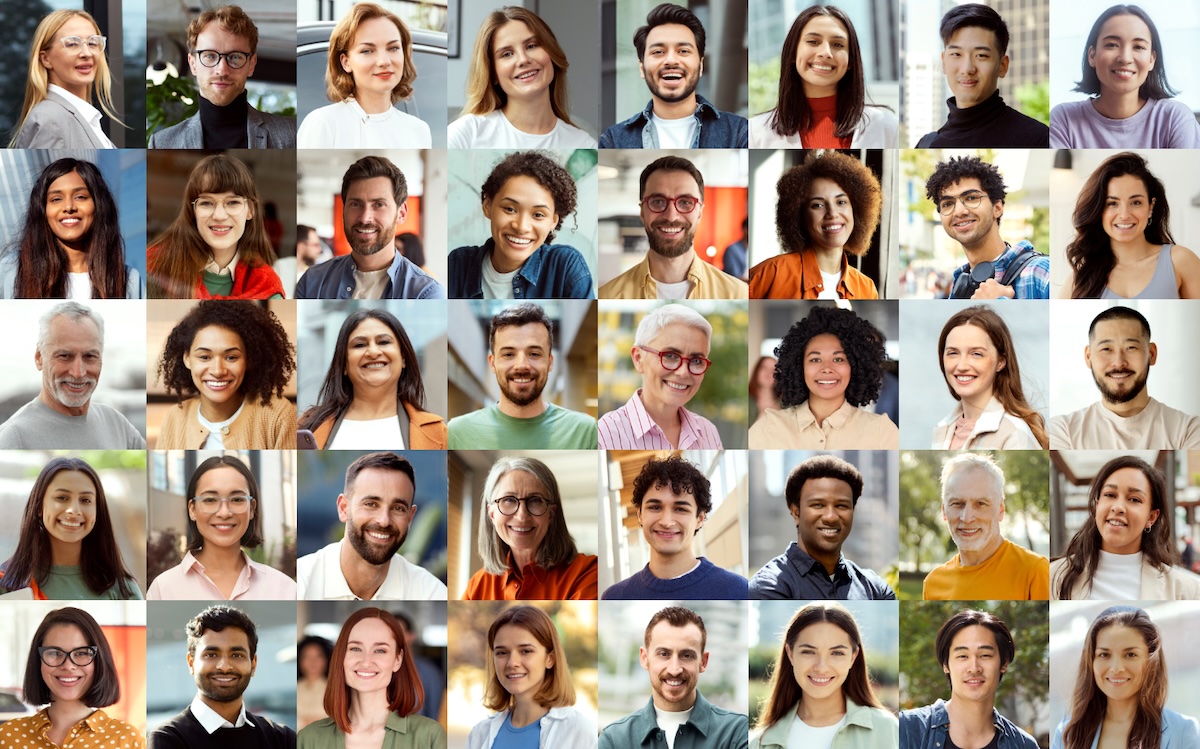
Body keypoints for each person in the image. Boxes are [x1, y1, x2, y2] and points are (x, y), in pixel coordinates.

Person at [296, 452, 447, 600]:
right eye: (371, 504)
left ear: (410, 517)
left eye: (398, 508)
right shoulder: (300, 582)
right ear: (343, 508)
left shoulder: (430, 592)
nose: (384, 521)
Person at [447, 302, 597, 449]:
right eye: (509, 354)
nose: (522, 365)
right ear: (492, 363)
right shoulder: (458, 432)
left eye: (534, 354)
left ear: (550, 362)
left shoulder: (584, 431)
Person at [448, 151, 594, 299]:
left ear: (553, 221)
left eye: (538, 215)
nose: (521, 227)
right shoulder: (457, 264)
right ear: (487, 206)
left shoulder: (565, 266)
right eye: (510, 209)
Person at [295, 156, 445, 300]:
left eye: (379, 204)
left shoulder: (425, 293)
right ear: (343, 210)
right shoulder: (312, 281)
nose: (365, 218)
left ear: (402, 213)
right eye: (355, 204)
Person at [1051, 456, 1200, 600]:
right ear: (1097, 506)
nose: (1118, 507)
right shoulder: (1052, 576)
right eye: (1110, 495)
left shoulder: (1187, 589)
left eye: (1134, 499)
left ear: (1151, 517)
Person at [1050, 306, 1200, 449]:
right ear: (1088, 357)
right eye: (1106, 349)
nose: (1119, 362)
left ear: (1152, 354)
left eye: (1131, 348)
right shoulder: (1064, 431)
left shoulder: (1188, 429)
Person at [1050, 5, 1200, 149]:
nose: (1125, 58)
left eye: (1138, 47)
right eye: (1112, 45)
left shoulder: (1175, 119)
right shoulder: (1064, 119)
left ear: (1151, 60)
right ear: (1092, 55)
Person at [751, 603, 898, 749]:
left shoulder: (887, 730)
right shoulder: (759, 743)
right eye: (808, 652)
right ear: (790, 654)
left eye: (837, 653)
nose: (821, 668)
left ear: (853, 657)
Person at [147, 456, 296, 600]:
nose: (224, 513)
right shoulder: (163, 589)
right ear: (192, 509)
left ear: (251, 509)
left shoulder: (284, 588)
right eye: (210, 500)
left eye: (237, 499)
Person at [749, 306, 898, 449]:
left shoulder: (881, 431)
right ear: (799, 367)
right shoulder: (768, 428)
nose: (827, 368)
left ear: (855, 367)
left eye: (838, 359)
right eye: (815, 359)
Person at [599, 156, 749, 299]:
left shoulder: (737, 293)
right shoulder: (607, 295)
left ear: (700, 213)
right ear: (642, 212)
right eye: (657, 202)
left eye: (685, 202)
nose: (671, 216)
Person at [599, 606, 749, 749]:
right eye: (664, 654)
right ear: (644, 658)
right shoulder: (614, 739)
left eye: (687, 655)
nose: (674, 669)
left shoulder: (737, 732)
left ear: (703, 662)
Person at [0, 302, 145, 449]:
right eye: (64, 356)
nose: (78, 373)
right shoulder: (14, 436)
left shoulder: (116, 423)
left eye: (89, 356)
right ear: (39, 358)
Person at [1051, 606, 1200, 749]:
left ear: (1150, 661)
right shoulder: (1067, 733)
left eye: (1130, 655)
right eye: (1104, 655)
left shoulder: (1183, 731)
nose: (1116, 668)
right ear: (1090, 661)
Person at [600, 3, 747, 148]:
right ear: (642, 68)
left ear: (701, 66)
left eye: (683, 51)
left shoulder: (739, 132)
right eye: (658, 52)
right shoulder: (613, 140)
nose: (671, 60)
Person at [155, 300, 297, 449]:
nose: (218, 371)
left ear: (248, 360)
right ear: (187, 359)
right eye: (204, 357)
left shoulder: (278, 415)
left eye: (231, 357)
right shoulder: (174, 418)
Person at [148, 5, 296, 148]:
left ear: (251, 64)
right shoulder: (161, 143)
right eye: (210, 56)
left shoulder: (291, 135)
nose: (222, 70)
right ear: (193, 64)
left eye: (235, 57)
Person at [749, 455, 894, 600]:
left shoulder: (875, 589)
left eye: (841, 506)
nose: (830, 517)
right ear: (796, 513)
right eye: (818, 505)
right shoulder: (768, 586)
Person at [148, 605, 295, 748]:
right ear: (191, 663)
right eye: (211, 655)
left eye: (236, 655)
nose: (224, 666)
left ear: (253, 664)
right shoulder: (168, 738)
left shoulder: (282, 738)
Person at [750, 6, 898, 148]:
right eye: (813, 42)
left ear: (850, 61)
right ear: (793, 53)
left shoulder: (886, 126)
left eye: (838, 44)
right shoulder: (755, 131)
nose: (825, 52)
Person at [602, 455, 748, 599]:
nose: (666, 522)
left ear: (700, 518)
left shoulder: (738, 591)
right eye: (655, 507)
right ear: (640, 514)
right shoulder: (615, 596)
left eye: (680, 509)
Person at [299, 308, 446, 449]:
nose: (373, 352)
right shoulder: (308, 425)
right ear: (343, 364)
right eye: (360, 345)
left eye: (383, 342)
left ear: (403, 358)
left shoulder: (437, 432)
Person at [298, 608, 445, 749]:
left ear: (397, 660)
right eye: (355, 648)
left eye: (380, 650)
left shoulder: (430, 736)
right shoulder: (308, 739)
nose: (366, 662)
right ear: (340, 656)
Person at [450, 7, 596, 148]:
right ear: (493, 73)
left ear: (551, 54)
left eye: (531, 46)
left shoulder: (585, 144)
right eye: (507, 54)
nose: (523, 60)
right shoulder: (465, 135)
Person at [1062, 152, 1200, 299]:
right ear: (1098, 210)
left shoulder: (1181, 261)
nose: (1124, 215)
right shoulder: (1081, 278)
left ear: (1151, 207)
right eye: (1112, 203)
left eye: (1136, 202)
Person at [147, 153, 285, 299]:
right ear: (193, 210)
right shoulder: (154, 268)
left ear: (250, 210)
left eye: (233, 202)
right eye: (206, 203)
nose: (219, 215)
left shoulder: (266, 285)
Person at [0, 457, 141, 600]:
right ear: (38, 506)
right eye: (62, 497)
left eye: (85, 500)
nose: (74, 510)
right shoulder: (7, 584)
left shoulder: (122, 588)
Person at [1, 158, 142, 299]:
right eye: (56, 199)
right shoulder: (11, 271)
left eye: (80, 197)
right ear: (43, 210)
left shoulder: (129, 281)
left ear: (99, 205)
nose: (69, 207)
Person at [748, 150, 882, 299]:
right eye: (818, 205)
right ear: (801, 216)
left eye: (841, 202)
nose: (832, 213)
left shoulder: (866, 288)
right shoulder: (771, 274)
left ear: (855, 210)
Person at [298, 2, 432, 148]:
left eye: (393, 48)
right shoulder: (323, 123)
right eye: (367, 51)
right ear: (346, 62)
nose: (384, 61)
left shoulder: (419, 130)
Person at [4, 608, 143, 747]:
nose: (68, 666)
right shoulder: (6, 737)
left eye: (81, 653)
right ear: (38, 660)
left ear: (99, 660)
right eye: (54, 653)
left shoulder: (126, 740)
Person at [899, 610, 1038, 749]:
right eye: (962, 656)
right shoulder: (906, 728)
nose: (974, 668)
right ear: (946, 665)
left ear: (1004, 663)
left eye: (985, 655)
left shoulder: (1023, 745)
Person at [464, 457, 598, 600]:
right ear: (491, 514)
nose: (522, 516)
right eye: (509, 499)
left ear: (551, 514)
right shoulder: (477, 586)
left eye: (535, 500)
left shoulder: (587, 572)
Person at [916, 4, 1048, 147]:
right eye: (956, 54)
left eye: (981, 55)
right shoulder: (927, 144)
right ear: (944, 62)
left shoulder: (1038, 138)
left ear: (1003, 66)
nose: (967, 69)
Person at [923, 453, 1049, 600]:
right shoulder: (933, 583)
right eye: (957, 504)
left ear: (1000, 510)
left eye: (980, 504)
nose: (967, 518)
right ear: (944, 511)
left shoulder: (1035, 571)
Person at [465, 606, 595, 748]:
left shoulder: (578, 731)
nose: (512, 663)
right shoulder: (480, 734)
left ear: (550, 659)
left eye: (526, 651)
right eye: (502, 653)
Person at [924, 155, 1050, 299]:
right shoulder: (960, 287)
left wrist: (999, 302)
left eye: (971, 198)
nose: (959, 211)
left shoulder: (1041, 272)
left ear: (997, 208)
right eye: (947, 204)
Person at [598, 304, 722, 449]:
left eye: (696, 361)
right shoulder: (604, 434)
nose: (683, 372)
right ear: (638, 358)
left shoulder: (709, 433)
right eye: (670, 356)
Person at [932, 306, 1048, 449]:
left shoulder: (1014, 435)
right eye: (953, 353)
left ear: (1001, 362)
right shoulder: (942, 429)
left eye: (976, 354)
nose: (962, 366)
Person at [12, 10, 122, 148]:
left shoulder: (82, 117)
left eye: (93, 43)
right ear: (45, 59)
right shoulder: (50, 119)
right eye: (72, 44)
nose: (86, 53)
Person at [297, 635, 333, 730]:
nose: (313, 661)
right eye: (307, 656)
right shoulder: (295, 688)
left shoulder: (334, 688)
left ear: (326, 659)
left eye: (318, 656)